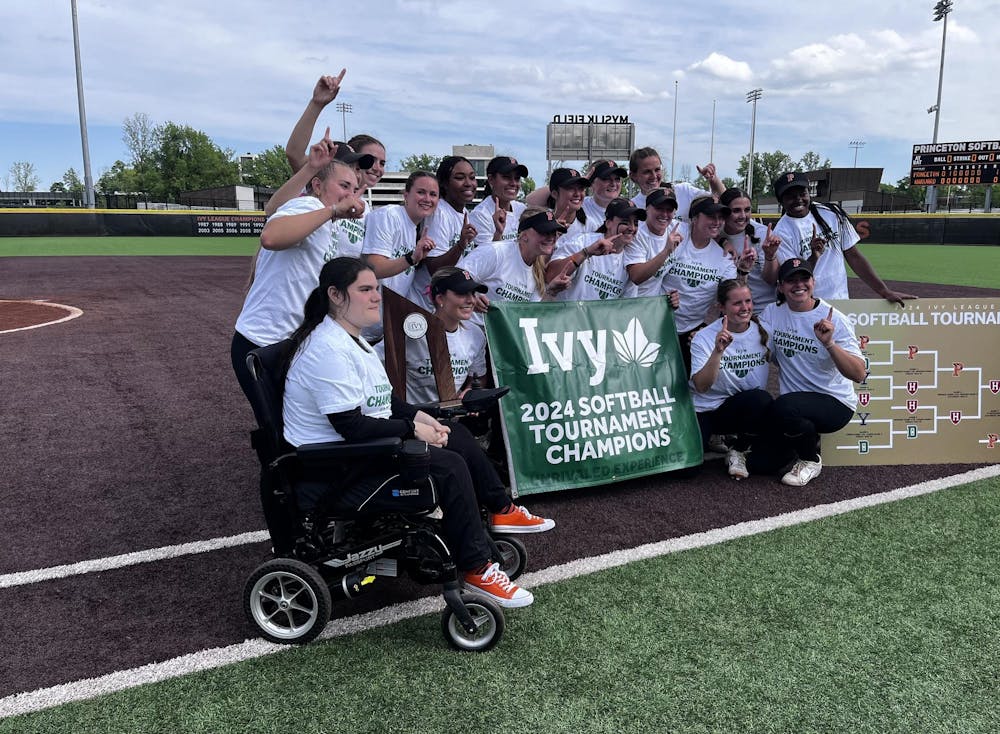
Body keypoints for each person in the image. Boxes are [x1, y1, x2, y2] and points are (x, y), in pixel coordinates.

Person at [282, 258, 554, 607]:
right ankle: (476, 567)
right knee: (448, 467)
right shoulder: (328, 349)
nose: (375, 297)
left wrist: (425, 419)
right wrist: (412, 429)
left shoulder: (354, 341)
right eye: (364, 290)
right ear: (335, 295)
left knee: (455, 436)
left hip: (363, 449)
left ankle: (501, 511)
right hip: (335, 465)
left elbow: (386, 402)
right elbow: (349, 426)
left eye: (376, 289)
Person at [232, 158, 366, 404]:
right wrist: (334, 210)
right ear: (317, 185)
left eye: (354, 189)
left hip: (288, 342)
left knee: (296, 427)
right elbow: (270, 237)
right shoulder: (306, 205)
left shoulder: (329, 224)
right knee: (283, 430)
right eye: (344, 186)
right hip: (263, 342)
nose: (350, 195)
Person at [758, 258, 867, 486]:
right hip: (796, 405)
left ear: (813, 282)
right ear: (780, 287)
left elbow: (859, 374)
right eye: (791, 280)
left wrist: (829, 344)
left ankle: (810, 459)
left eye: (804, 279)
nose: (799, 285)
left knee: (785, 407)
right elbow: (756, 345)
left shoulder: (835, 319)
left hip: (835, 404)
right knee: (760, 466)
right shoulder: (772, 312)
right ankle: (800, 441)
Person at [771, 171, 916, 305]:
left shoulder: (831, 213)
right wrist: (814, 256)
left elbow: (853, 256)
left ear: (809, 193)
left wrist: (884, 291)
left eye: (802, 193)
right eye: (790, 196)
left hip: (841, 301)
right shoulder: (781, 233)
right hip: (809, 306)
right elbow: (795, 278)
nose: (798, 199)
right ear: (781, 201)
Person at [689, 280, 773, 479]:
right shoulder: (704, 337)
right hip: (706, 409)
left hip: (741, 409)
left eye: (748, 301)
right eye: (737, 303)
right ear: (721, 307)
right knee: (688, 471)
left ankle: (739, 447)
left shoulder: (765, 333)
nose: (744, 308)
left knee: (761, 400)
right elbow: (701, 386)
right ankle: (713, 437)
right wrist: (718, 352)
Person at [376, 266, 488, 404]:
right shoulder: (413, 330)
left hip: (452, 418)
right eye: (462, 293)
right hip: (412, 420)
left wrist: (470, 391)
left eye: (473, 293)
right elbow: (372, 364)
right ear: (440, 298)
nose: (471, 300)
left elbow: (478, 377)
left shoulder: (475, 334)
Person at [659, 196, 746, 372]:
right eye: (711, 216)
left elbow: (731, 300)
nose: (717, 222)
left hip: (692, 331)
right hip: (657, 325)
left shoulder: (724, 258)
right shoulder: (674, 234)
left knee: (686, 387)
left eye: (720, 217)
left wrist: (707, 331)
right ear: (695, 217)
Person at [462, 206, 573, 305]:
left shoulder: (537, 270)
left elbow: (531, 315)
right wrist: (472, 298)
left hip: (500, 328)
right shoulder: (495, 252)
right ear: (524, 235)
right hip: (471, 326)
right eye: (544, 231)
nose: (551, 237)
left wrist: (551, 291)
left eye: (554, 232)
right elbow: (456, 277)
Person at [361, 170, 439, 303]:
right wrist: (411, 258)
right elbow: (374, 268)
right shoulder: (388, 216)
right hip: (369, 314)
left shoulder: (415, 229)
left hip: (390, 316)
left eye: (433, 194)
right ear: (406, 195)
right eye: (421, 192)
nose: (427, 199)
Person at [546, 197, 645, 302]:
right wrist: (586, 253)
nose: (632, 228)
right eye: (625, 222)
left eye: (636, 223)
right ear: (608, 223)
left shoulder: (631, 260)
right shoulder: (583, 241)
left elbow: (626, 306)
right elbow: (550, 275)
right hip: (568, 316)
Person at [717, 188, 781, 312]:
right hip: (731, 311)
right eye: (736, 210)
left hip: (763, 309)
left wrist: (770, 256)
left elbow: (771, 280)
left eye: (747, 210)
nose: (743, 216)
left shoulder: (762, 234)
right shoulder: (715, 231)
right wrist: (722, 241)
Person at [627, 147, 726, 217]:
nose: (654, 176)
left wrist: (713, 180)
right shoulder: (633, 207)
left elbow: (724, 200)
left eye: (657, 170)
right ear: (633, 176)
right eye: (647, 172)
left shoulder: (683, 191)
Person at [623, 187, 684, 298]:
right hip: (629, 302)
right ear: (647, 208)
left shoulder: (675, 227)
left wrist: (724, 241)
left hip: (651, 304)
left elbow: (701, 226)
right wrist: (666, 251)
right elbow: (636, 277)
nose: (664, 214)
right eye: (659, 208)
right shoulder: (637, 233)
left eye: (669, 210)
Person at [467, 156, 528, 254]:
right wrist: (498, 233)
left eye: (517, 178)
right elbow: (485, 260)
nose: (513, 183)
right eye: (506, 177)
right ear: (491, 180)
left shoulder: (522, 209)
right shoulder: (480, 215)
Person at [544, 167, 590, 240]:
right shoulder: (542, 223)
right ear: (555, 194)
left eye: (581, 188)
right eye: (570, 188)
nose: (577, 194)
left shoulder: (590, 225)